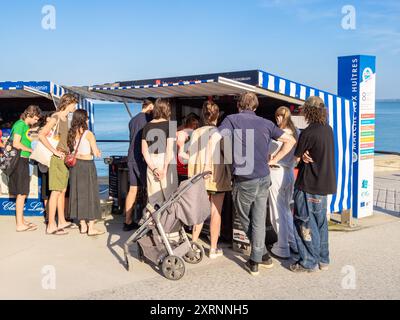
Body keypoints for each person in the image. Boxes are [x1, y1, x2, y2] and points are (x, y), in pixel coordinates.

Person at [217, 92, 296, 276]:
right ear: (255, 106)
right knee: (259, 219)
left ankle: (256, 258)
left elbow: (216, 137)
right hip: (264, 177)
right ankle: (262, 256)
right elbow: (290, 140)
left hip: (244, 180)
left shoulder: (232, 119)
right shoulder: (267, 123)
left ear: (239, 106)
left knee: (244, 218)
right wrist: (274, 159)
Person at [289, 96, 337, 273]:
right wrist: (305, 156)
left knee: (304, 223)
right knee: (320, 223)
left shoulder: (308, 133)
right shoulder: (328, 130)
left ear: (308, 111)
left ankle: (308, 261)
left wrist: (301, 158)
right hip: (323, 185)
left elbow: (294, 160)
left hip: (308, 185)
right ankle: (323, 259)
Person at [188, 101, 231, 259]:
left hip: (200, 177)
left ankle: (193, 243)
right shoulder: (220, 132)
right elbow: (227, 156)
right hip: (217, 177)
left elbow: (191, 157)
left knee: (199, 211)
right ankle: (213, 249)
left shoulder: (196, 132)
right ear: (217, 115)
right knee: (216, 212)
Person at [39, 93, 78, 235]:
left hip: (64, 158)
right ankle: (51, 225)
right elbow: (42, 134)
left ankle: (61, 221)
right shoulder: (56, 117)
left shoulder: (65, 118)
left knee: (61, 191)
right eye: (74, 104)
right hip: (57, 158)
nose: (75, 106)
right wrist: (54, 151)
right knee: (55, 192)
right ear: (68, 103)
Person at [268, 106, 299, 259]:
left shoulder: (280, 135)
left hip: (277, 171)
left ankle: (282, 246)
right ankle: (292, 241)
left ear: (283, 117)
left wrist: (273, 158)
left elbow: (268, 153)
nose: (277, 119)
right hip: (289, 172)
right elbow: (298, 157)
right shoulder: (296, 132)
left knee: (276, 211)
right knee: (286, 211)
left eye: (279, 116)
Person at [67, 110, 104, 236]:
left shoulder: (71, 133)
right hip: (87, 166)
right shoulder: (88, 134)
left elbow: (71, 151)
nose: (88, 120)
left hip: (75, 167)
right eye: (87, 118)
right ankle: (91, 227)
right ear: (83, 119)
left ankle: (82, 225)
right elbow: (95, 152)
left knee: (78, 193)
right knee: (91, 195)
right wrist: (98, 152)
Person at [9, 105, 41, 232]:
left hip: (24, 160)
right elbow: (16, 143)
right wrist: (31, 150)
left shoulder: (25, 126)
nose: (36, 121)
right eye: (35, 118)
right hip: (19, 161)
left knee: (23, 192)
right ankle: (19, 224)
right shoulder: (20, 124)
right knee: (21, 193)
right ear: (30, 115)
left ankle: (21, 220)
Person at [124, 99, 154, 232]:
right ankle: (148, 220)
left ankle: (128, 221)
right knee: (150, 189)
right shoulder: (148, 119)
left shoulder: (132, 120)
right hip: (141, 159)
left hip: (131, 156)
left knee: (133, 189)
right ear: (150, 106)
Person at [142, 98, 178, 207]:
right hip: (166, 162)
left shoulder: (147, 126)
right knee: (170, 198)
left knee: (154, 201)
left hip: (152, 163)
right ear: (167, 109)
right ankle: (169, 224)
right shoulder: (170, 125)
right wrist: (165, 169)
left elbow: (144, 151)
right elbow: (169, 149)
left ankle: (154, 223)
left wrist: (154, 168)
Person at [177, 113, 200, 184]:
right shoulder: (182, 134)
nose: (196, 126)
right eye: (194, 124)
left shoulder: (180, 132)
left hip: (184, 169)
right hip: (183, 169)